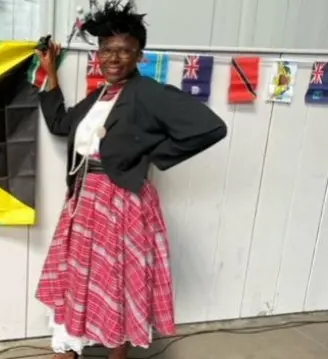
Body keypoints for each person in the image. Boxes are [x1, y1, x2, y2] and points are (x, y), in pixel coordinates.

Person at [33, 1, 227, 358]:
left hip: (121, 201)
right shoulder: (100, 95)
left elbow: (211, 127)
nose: (113, 58)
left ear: (139, 56)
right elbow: (61, 125)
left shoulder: (148, 92)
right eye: (107, 50)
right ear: (98, 56)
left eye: (124, 51)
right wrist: (51, 76)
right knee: (79, 278)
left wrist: (150, 154)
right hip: (84, 201)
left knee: (116, 280)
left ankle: (116, 353)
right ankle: (69, 346)